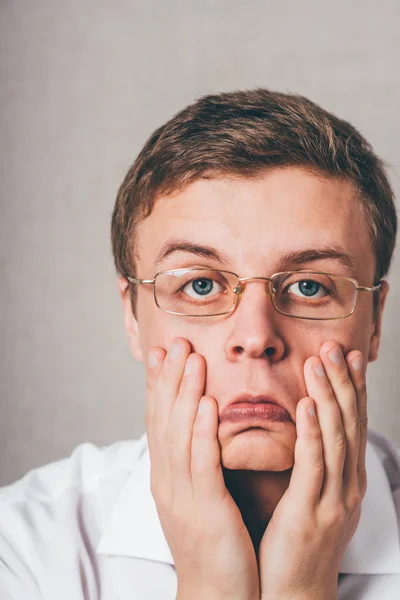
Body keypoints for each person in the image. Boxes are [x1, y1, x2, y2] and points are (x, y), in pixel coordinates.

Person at [0, 88, 399, 600]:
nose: (256, 338)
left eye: (309, 286)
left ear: (375, 321)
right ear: (132, 315)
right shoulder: (22, 551)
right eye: (201, 285)